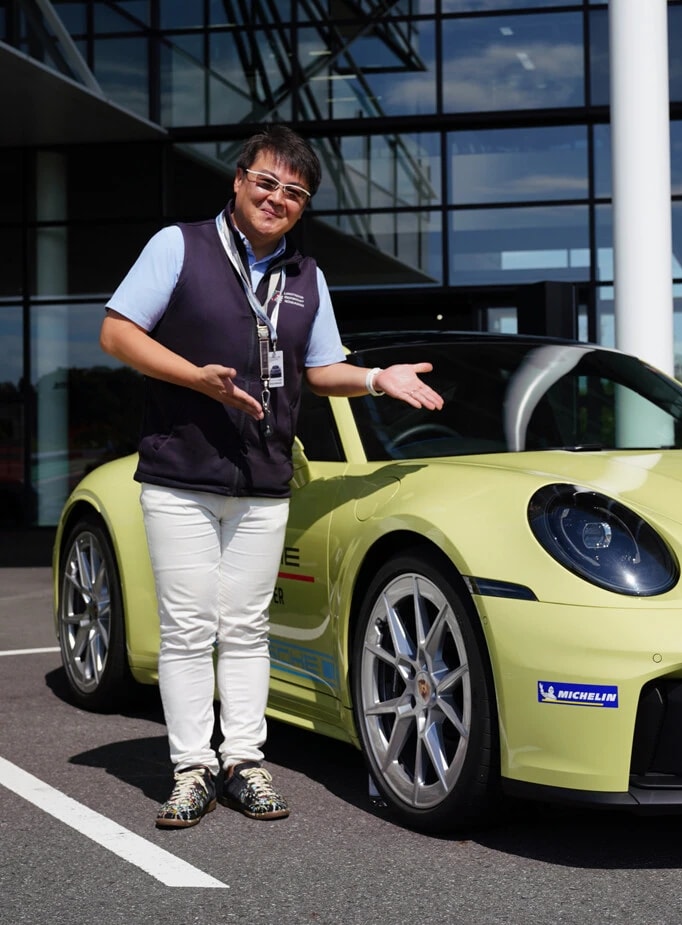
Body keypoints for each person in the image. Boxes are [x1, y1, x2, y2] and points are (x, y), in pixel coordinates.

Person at [100, 124, 443, 829]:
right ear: (238, 179)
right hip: (182, 476)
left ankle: (244, 761)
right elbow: (117, 331)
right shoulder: (180, 246)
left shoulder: (306, 276)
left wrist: (379, 375)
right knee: (191, 627)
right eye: (267, 182)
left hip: (262, 478)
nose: (277, 198)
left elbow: (321, 369)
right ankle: (193, 767)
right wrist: (195, 377)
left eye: (294, 192)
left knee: (248, 626)